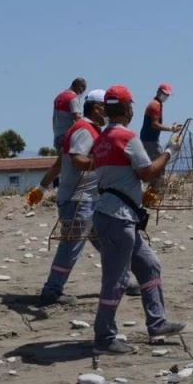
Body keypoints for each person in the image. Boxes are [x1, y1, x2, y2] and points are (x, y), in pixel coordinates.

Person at [90, 85, 186, 355]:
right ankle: (104, 336)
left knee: (148, 265)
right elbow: (146, 172)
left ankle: (157, 322)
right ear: (127, 109)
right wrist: (169, 152)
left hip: (114, 215)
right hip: (118, 218)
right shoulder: (127, 137)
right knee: (116, 279)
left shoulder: (101, 139)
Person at [27, 89, 142, 303]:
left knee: (108, 244)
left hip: (89, 200)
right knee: (71, 245)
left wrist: (42, 189)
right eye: (106, 108)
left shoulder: (89, 130)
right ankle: (51, 291)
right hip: (78, 201)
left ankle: (123, 282)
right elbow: (77, 160)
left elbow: (59, 163)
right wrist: (105, 161)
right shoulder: (83, 130)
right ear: (98, 108)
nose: (109, 112)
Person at [139, 83, 180, 192]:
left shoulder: (157, 104)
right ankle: (153, 193)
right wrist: (171, 128)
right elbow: (155, 124)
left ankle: (151, 192)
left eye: (167, 95)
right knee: (159, 167)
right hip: (150, 141)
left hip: (149, 139)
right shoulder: (155, 105)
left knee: (154, 166)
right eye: (164, 93)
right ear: (158, 92)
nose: (165, 96)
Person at [52, 77, 87, 153]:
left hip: (57, 136)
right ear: (80, 87)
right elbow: (77, 118)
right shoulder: (72, 98)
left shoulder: (58, 97)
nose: (81, 93)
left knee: (62, 162)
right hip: (68, 137)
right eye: (83, 90)